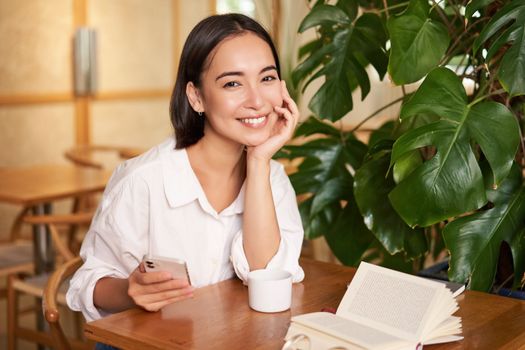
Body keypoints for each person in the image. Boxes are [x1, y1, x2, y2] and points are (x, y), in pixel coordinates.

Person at [67, 13, 305, 322]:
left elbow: (267, 278)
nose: (257, 100)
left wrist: (259, 161)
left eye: (267, 78)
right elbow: (87, 284)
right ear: (196, 97)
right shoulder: (143, 180)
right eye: (233, 83)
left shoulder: (272, 179)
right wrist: (130, 290)